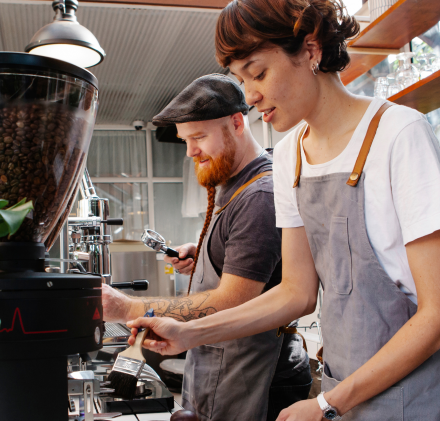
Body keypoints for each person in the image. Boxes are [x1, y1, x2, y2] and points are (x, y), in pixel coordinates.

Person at [125, 0, 440, 420]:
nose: (250, 95)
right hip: (345, 390)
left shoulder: (398, 134)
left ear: (309, 48)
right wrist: (188, 333)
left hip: (420, 399)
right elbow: (295, 294)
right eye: (241, 80)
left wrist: (329, 404)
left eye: (258, 73)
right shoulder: (289, 155)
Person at [101, 74, 312, 421]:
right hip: (221, 372)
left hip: (255, 377)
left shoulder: (260, 195)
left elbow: (234, 300)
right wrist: (207, 257)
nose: (190, 151)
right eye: (186, 140)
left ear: (237, 123)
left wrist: (128, 308)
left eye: (198, 137)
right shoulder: (236, 185)